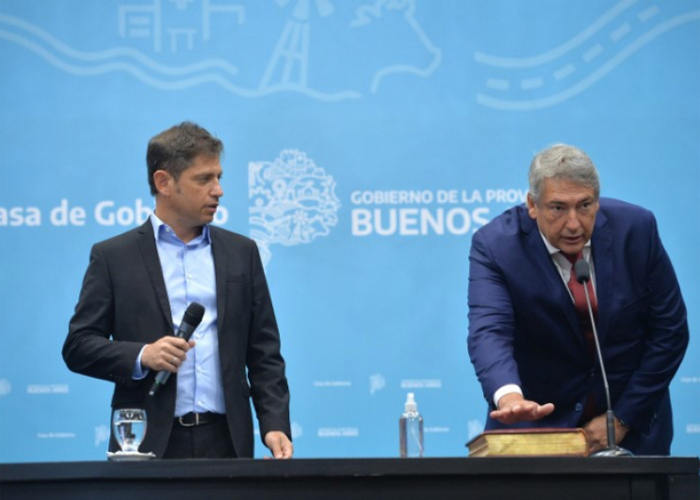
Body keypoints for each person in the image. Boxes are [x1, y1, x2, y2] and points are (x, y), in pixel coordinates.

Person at [63, 122, 292, 459]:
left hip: (227, 443)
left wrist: (274, 424)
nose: (218, 190)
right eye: (204, 179)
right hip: (146, 443)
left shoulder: (241, 252)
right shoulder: (113, 257)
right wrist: (143, 355)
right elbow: (79, 346)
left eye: (219, 177)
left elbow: (264, 352)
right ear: (164, 182)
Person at [467, 143, 689, 455]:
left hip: (633, 428)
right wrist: (510, 397)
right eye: (558, 208)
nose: (573, 224)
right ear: (532, 205)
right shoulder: (497, 246)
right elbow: (490, 331)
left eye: (584, 206)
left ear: (597, 201)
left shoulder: (636, 230)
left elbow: (670, 330)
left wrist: (622, 419)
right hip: (539, 427)